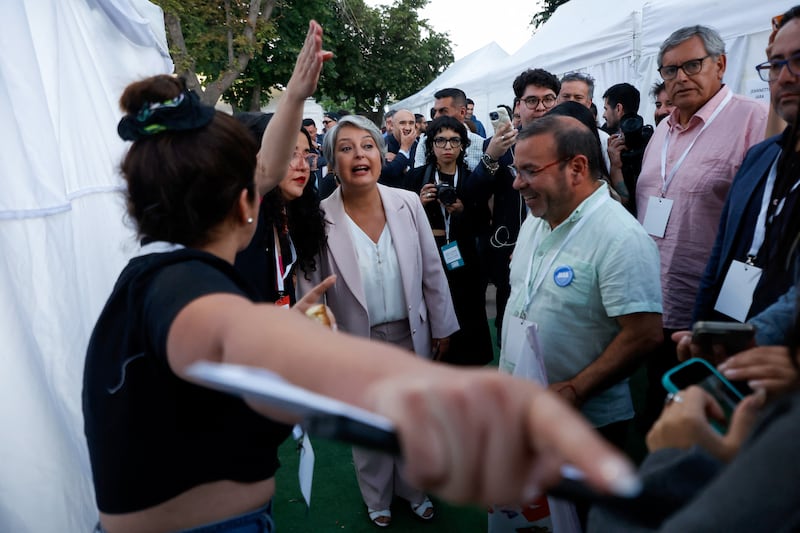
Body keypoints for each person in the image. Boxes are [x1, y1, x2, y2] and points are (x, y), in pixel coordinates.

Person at [83, 20, 641, 533]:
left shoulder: (156, 277)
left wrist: (296, 96)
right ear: (246, 199)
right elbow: (232, 332)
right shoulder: (185, 292)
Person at [297, 114, 460, 527]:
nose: (359, 156)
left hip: (411, 334)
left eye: (367, 146)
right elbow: (311, 291)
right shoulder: (318, 216)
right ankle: (377, 497)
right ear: (331, 163)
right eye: (346, 148)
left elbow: (431, 271)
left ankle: (414, 488)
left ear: (381, 153)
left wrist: (443, 325)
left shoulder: (406, 203)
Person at [501, 114, 663, 527]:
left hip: (585, 427)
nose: (517, 183)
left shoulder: (620, 237)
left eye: (529, 171)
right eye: (516, 171)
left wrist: (575, 388)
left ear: (576, 167)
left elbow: (643, 335)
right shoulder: (536, 220)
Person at [635, 25, 768, 429]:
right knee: (661, 413)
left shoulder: (754, 119)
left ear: (720, 64)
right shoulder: (661, 130)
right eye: (670, 70)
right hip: (654, 303)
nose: (680, 78)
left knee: (711, 425)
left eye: (692, 65)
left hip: (713, 312)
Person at [693, 8, 800, 327]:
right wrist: (700, 330)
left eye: (799, 59)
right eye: (776, 63)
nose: (784, 75)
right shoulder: (761, 157)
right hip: (727, 336)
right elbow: (718, 258)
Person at [403, 116, 494, 366]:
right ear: (431, 145)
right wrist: (417, 204)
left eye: (454, 141)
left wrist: (463, 210)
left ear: (463, 146)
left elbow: (484, 222)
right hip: (427, 257)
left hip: (463, 258)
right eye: (440, 140)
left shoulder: (470, 178)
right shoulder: (416, 178)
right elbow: (399, 222)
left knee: (466, 316)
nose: (447, 147)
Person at [234, 113, 326, 306]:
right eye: (290, 155)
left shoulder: (292, 214)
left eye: (306, 154)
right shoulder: (242, 224)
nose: (302, 166)